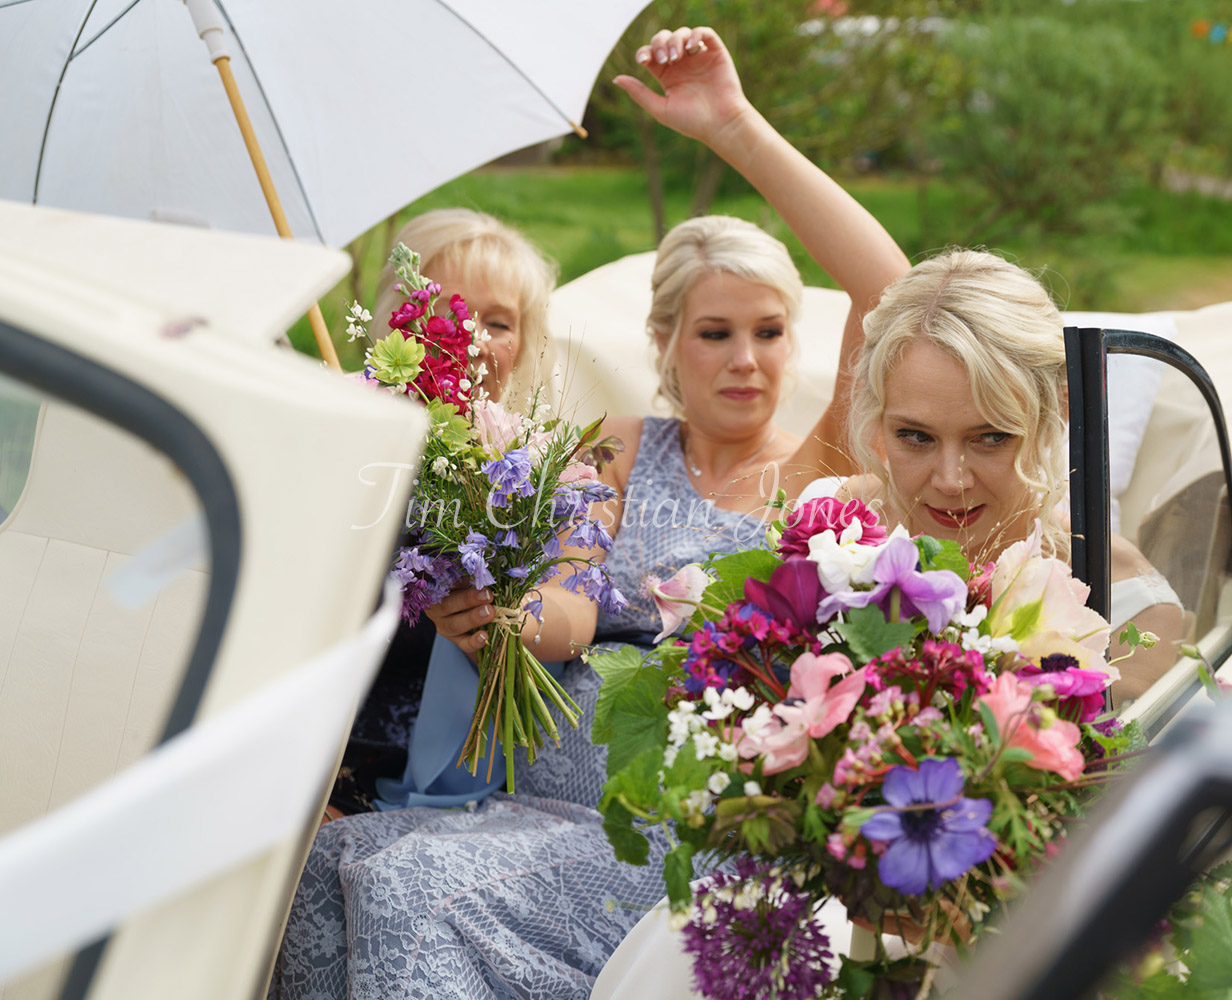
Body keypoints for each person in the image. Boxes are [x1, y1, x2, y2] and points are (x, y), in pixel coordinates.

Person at [270, 26, 909, 999]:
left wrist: (735, 128)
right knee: (316, 870)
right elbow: (564, 602)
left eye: (767, 332)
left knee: (410, 888)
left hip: (674, 826)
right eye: (713, 333)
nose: (743, 358)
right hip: (524, 801)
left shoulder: (817, 472)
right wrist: (506, 621)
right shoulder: (610, 444)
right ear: (665, 344)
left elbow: (888, 290)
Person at [328, 208, 561, 818]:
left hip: (471, 771)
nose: (473, 339)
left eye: (499, 322)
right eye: (451, 313)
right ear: (397, 325)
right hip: (328, 747)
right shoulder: (345, 431)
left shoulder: (529, 461)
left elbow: (565, 608)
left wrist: (498, 619)